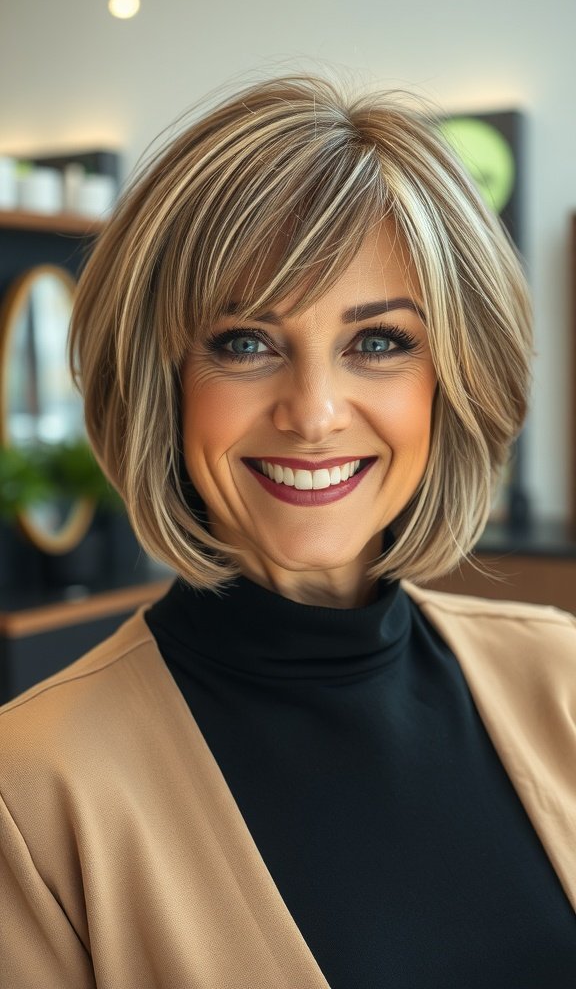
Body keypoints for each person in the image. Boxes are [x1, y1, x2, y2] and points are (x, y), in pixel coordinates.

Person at [0, 75, 575, 989]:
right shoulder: (30, 793)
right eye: (243, 342)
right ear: (163, 382)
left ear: (456, 378)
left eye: (379, 341)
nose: (312, 414)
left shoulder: (564, 679)